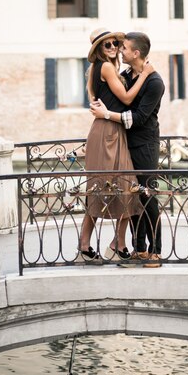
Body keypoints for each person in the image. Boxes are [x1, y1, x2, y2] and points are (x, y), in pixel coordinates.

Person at [78, 27, 154, 262]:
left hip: (112, 131)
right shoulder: (107, 67)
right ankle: (85, 246)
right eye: (106, 45)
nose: (112, 48)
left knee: (125, 189)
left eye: (114, 44)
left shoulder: (98, 69)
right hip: (107, 133)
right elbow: (127, 98)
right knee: (103, 190)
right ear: (99, 50)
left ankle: (118, 244)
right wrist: (146, 74)